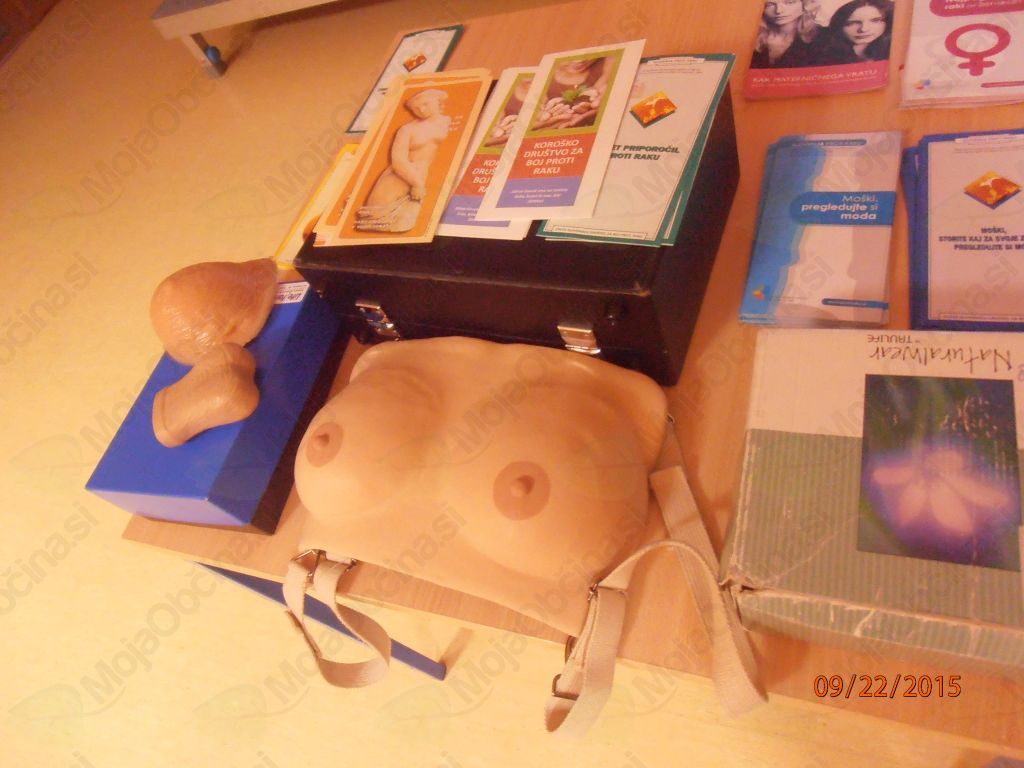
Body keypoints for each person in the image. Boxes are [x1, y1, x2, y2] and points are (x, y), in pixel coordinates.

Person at [356, 88, 450, 232]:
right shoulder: (407, 129)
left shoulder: (446, 122)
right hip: (401, 177)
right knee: (379, 222)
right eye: (416, 108)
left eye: (425, 104)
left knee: (406, 222)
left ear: (437, 101)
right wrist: (416, 184)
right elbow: (398, 161)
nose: (421, 110)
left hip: (421, 174)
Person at [810, 0, 893, 65]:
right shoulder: (821, 53)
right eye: (851, 23)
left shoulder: (892, 49)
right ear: (838, 24)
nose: (864, 29)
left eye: (875, 21)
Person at [750, 0, 823, 69]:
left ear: (806, 4)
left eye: (789, 2)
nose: (778, 11)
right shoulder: (752, 36)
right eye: (769, 5)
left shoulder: (821, 37)